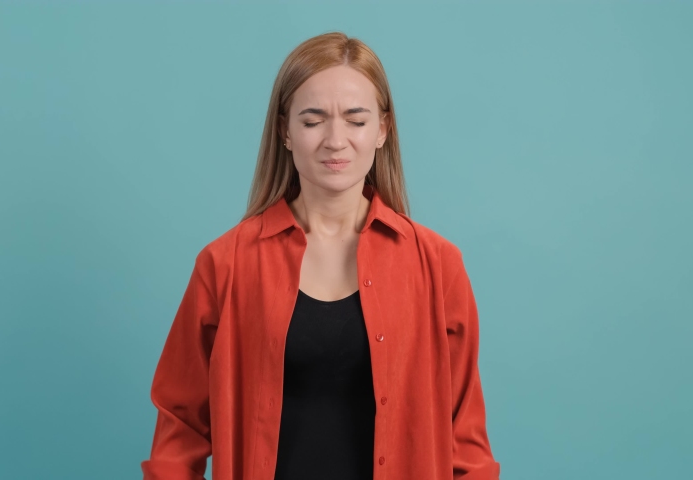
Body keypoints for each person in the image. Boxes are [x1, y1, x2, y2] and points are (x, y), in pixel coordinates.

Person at [141, 31, 500, 480]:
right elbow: (179, 425)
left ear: (383, 130)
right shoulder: (225, 264)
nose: (335, 140)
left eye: (355, 119)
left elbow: (466, 443)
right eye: (312, 121)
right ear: (284, 131)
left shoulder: (438, 265)